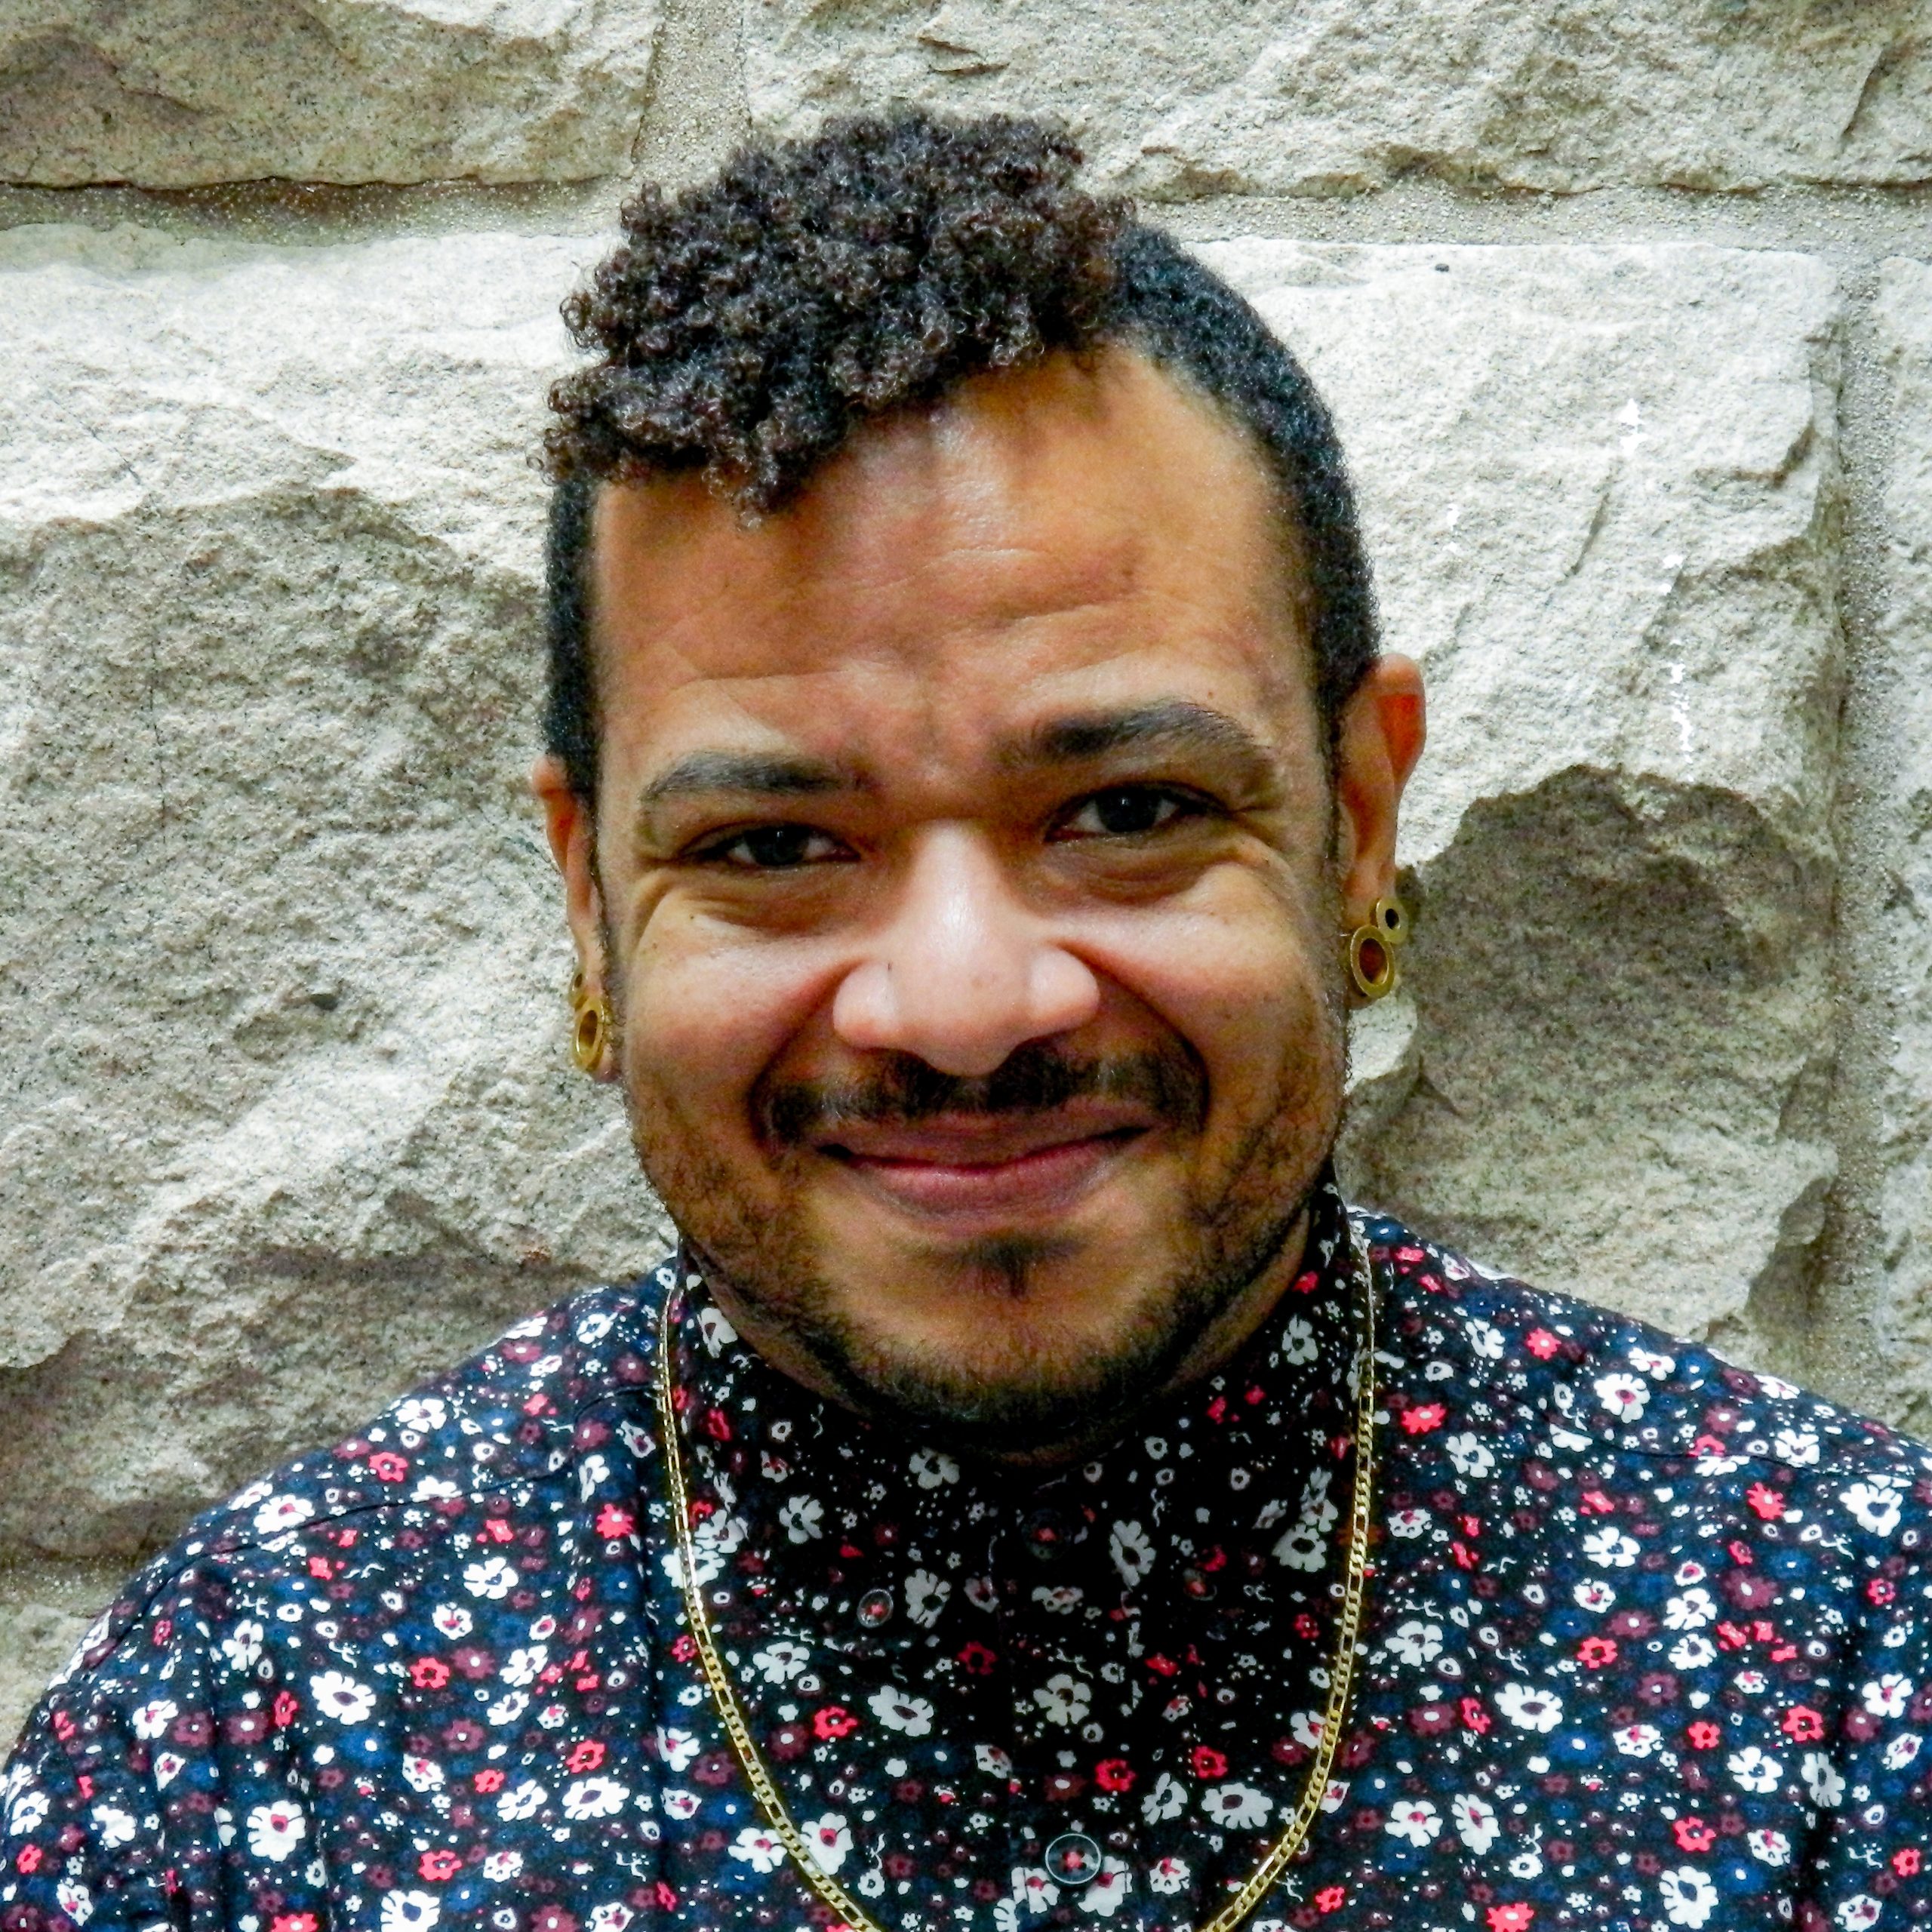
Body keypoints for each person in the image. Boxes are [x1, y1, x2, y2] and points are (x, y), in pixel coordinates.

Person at [3, 111, 1927, 1932]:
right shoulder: (260, 1731)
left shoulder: (1835, 1662)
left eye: (1124, 813)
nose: (961, 1005)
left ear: (1352, 825)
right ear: (587, 896)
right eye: (773, 841)